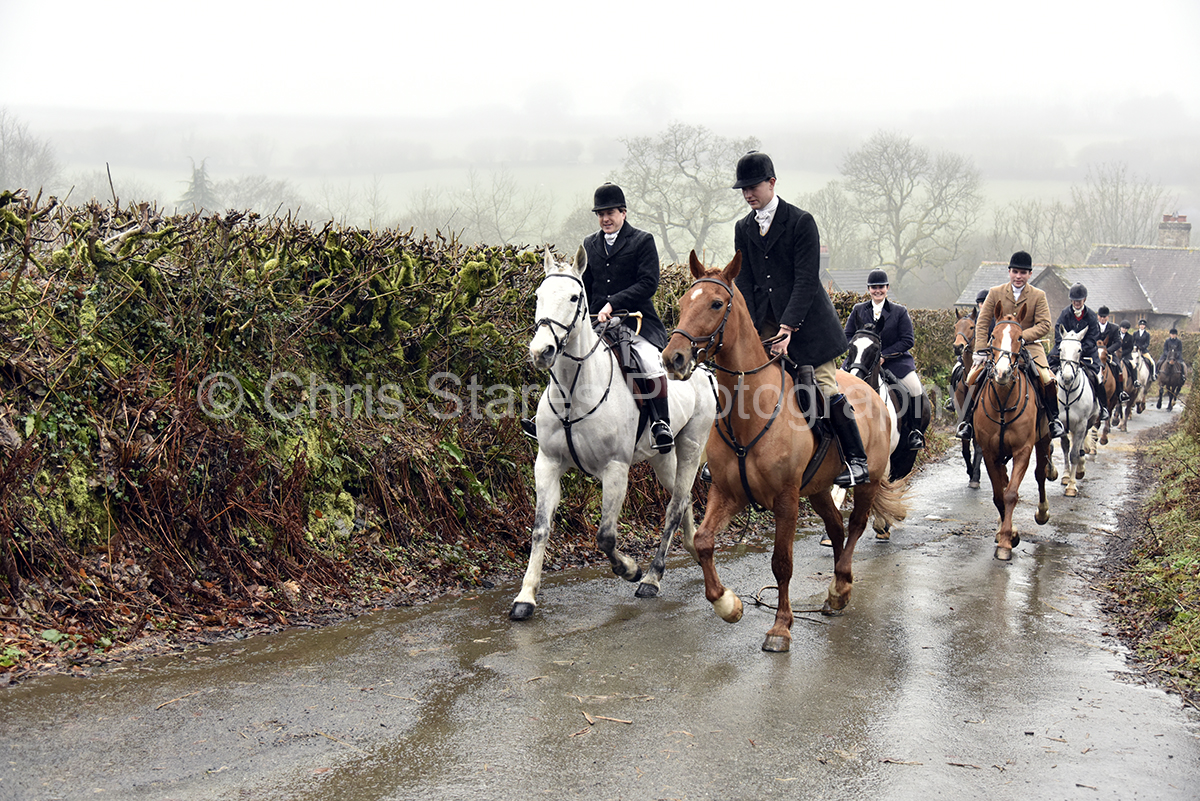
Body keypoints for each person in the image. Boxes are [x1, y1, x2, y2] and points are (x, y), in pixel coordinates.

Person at [731, 151, 866, 487]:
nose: (748, 194)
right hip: (764, 322)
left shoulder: (801, 221)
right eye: (743, 188)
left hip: (808, 325)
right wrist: (750, 329)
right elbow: (744, 281)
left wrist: (787, 328)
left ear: (772, 183)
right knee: (741, 381)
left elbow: (806, 280)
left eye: (753, 186)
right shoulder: (743, 227)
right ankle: (730, 458)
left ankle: (856, 460)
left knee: (825, 385)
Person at [522, 182, 674, 453]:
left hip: (636, 320)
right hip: (597, 322)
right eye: (601, 214)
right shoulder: (590, 244)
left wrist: (613, 303)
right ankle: (546, 419)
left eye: (610, 213)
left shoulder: (642, 241)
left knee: (649, 361)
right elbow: (586, 287)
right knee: (566, 355)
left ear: (623, 212)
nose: (605, 219)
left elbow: (648, 283)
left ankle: (660, 423)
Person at [958, 250, 1065, 440]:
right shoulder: (995, 292)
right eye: (1015, 272)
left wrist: (1021, 336)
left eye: (1023, 272)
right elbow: (982, 322)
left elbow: (1044, 324)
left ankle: (1053, 420)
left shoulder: (1038, 295)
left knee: (1047, 378)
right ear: (1009, 272)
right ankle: (967, 421)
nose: (1018, 276)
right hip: (998, 348)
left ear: (1030, 274)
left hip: (1029, 347)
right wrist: (980, 349)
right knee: (972, 376)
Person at [843, 269, 926, 449]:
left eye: (881, 287)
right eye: (874, 287)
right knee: (837, 384)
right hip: (862, 360)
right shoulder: (858, 310)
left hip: (894, 362)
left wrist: (884, 355)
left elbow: (907, 340)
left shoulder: (899, 311)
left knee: (915, 388)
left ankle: (915, 431)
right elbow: (847, 335)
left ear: (887, 288)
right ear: (868, 289)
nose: (877, 290)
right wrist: (860, 350)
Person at [1046, 283, 1108, 422]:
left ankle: (1103, 407)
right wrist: (1066, 346)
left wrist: (1080, 349)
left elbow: (1093, 337)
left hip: (1086, 351)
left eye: (1079, 300)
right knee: (1047, 371)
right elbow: (1058, 331)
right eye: (1074, 300)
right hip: (1066, 349)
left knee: (1097, 376)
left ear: (1084, 300)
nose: (1076, 303)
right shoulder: (1065, 313)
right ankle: (1045, 405)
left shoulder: (1091, 316)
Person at [1095, 305, 1126, 403]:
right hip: (1094, 353)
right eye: (1101, 316)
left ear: (1108, 317)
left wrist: (1107, 351)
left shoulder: (1114, 328)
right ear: (1098, 316)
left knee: (1118, 368)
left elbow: (1118, 342)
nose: (1102, 319)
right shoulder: (1093, 327)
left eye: (1104, 317)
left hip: (1109, 353)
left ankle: (1120, 392)